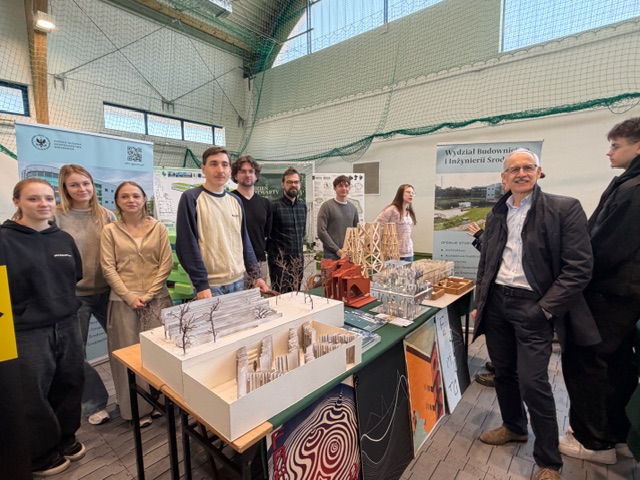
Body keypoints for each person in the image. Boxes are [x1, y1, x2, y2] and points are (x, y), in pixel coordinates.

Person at [472, 149, 599, 480]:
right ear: (504, 178)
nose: (521, 173)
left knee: (533, 382)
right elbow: (487, 262)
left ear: (539, 172)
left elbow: (579, 268)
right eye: (514, 169)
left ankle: (548, 461)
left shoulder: (564, 208)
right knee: (504, 372)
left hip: (533, 306)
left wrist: (544, 308)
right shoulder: (497, 213)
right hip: (497, 303)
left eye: (527, 167)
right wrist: (480, 302)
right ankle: (514, 427)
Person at [560, 118, 640, 464]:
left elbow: (605, 246)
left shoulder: (633, 190)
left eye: (615, 146)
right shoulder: (628, 183)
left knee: (586, 362)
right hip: (621, 295)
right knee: (617, 362)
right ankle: (616, 435)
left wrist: (571, 271)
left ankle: (592, 442)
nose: (609, 152)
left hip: (609, 293)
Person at [1, 178, 85, 476]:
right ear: (17, 202)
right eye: (34, 198)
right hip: (26, 330)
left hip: (67, 323)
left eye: (48, 198)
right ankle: (40, 453)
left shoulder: (63, 239)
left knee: (70, 382)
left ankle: (66, 437)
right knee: (33, 393)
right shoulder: (5, 240)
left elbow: (74, 277)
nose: (43, 204)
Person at [101, 181, 173, 427]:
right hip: (123, 302)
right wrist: (129, 296)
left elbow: (166, 263)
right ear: (117, 202)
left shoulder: (158, 228)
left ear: (144, 199)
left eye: (135, 195)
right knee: (128, 357)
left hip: (158, 300)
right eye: (124, 196)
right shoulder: (110, 231)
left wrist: (151, 293)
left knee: (162, 353)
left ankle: (162, 402)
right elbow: (108, 267)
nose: (131, 200)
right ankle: (136, 410)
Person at [54, 164, 116, 426]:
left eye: (86, 183)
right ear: (65, 188)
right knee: (75, 354)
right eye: (74, 184)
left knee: (124, 347)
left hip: (110, 292)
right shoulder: (55, 217)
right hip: (75, 296)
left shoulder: (106, 216)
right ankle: (94, 403)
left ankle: (131, 398)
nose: (82, 189)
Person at [176, 147, 267, 299]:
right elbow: (186, 245)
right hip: (210, 286)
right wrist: (201, 284)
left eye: (224, 164)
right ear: (203, 169)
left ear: (230, 170)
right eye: (213, 164)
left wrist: (256, 275)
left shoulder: (235, 201)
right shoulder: (191, 198)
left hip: (238, 281)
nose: (220, 169)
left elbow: (244, 240)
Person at [230, 155, 272, 282]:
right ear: (235, 175)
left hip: (259, 262)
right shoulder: (228, 200)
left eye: (251, 171)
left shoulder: (265, 203)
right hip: (235, 262)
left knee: (260, 294)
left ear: (256, 175)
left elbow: (266, 233)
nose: (247, 175)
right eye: (243, 171)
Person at [267, 167, 307, 293]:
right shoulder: (274, 206)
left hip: (298, 262)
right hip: (280, 264)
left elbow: (302, 233)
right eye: (289, 182)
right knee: (280, 296)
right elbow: (267, 234)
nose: (293, 185)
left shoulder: (303, 206)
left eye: (296, 182)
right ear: (283, 185)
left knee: (296, 294)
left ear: (300, 184)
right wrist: (275, 256)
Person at [316, 175, 359, 260]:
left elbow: (356, 231)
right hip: (331, 254)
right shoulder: (326, 206)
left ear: (349, 188)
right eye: (340, 186)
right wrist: (337, 250)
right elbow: (321, 231)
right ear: (334, 188)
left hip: (349, 254)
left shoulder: (353, 208)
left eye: (346, 186)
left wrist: (352, 249)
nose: (344, 188)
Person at [375, 184, 417, 262]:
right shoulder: (391, 210)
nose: (411, 195)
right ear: (400, 193)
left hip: (408, 253)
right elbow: (377, 227)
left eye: (413, 193)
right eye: (408, 192)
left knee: (408, 270)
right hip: (392, 253)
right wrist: (378, 246)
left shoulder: (409, 212)